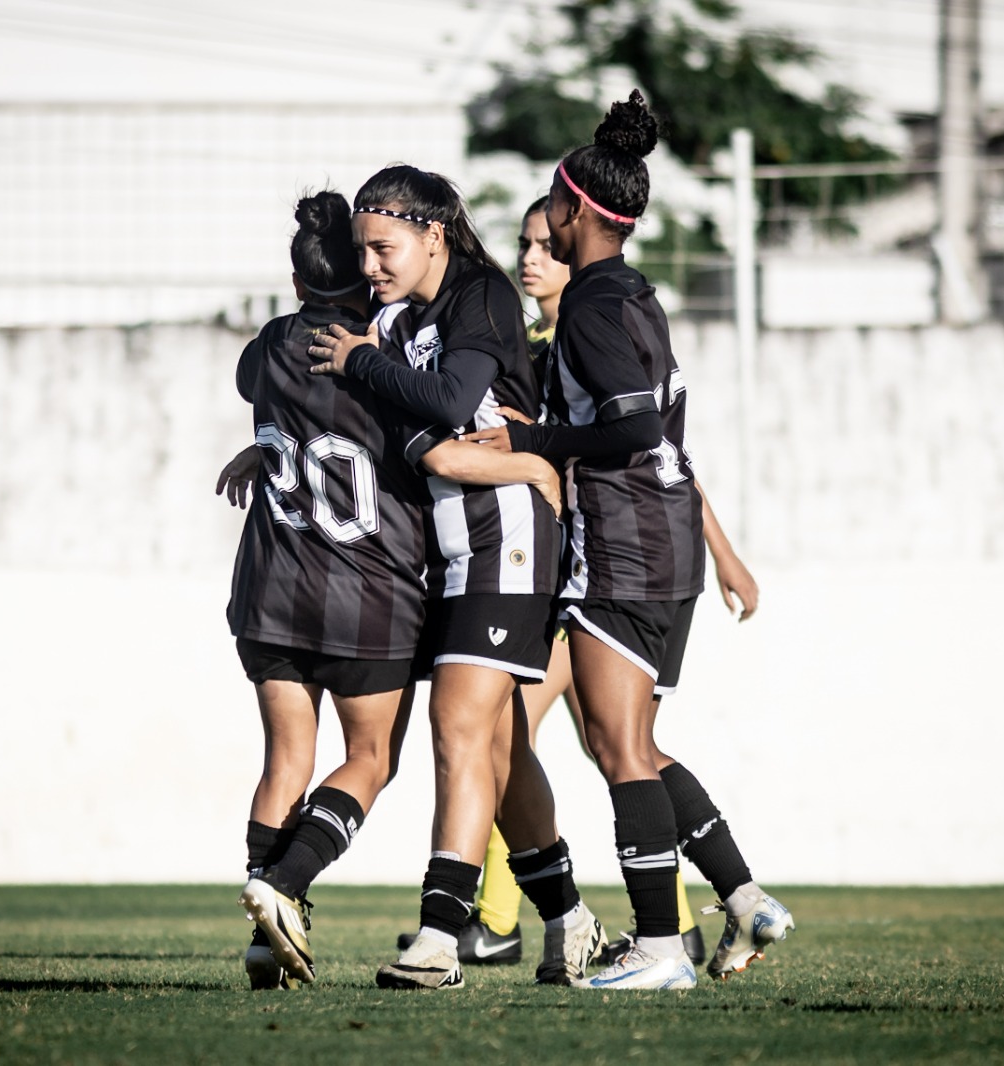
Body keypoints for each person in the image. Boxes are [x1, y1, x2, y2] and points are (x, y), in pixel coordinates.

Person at [464, 92, 794, 990]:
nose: (541, 233)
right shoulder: (630, 294)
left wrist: (533, 440)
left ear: (574, 210)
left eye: (548, 212)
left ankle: (657, 948)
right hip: (659, 545)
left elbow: (637, 429)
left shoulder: (596, 310)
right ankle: (739, 895)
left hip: (628, 548)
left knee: (616, 749)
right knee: (634, 745)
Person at [308, 165, 607, 990]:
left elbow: (451, 396)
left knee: (457, 725)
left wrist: (369, 365)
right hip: (443, 549)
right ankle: (573, 921)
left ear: (432, 234)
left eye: (384, 248)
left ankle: (441, 938)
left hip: (507, 532)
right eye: (363, 251)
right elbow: (407, 429)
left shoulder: (478, 294)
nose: (370, 266)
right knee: (499, 745)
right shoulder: (392, 314)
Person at [225, 190, 431, 991]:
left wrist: (263, 451)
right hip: (365, 595)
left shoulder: (269, 346)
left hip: (272, 588)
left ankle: (262, 936)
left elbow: (261, 392)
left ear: (295, 275)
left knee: (286, 760)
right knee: (371, 759)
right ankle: (283, 885)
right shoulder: (386, 352)